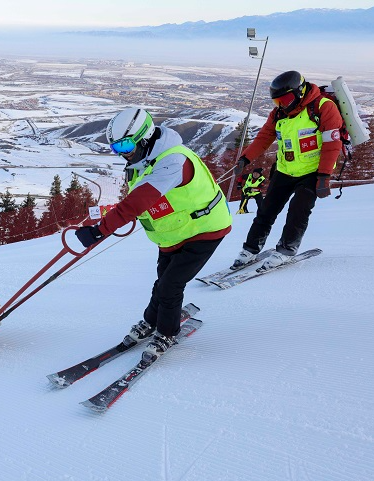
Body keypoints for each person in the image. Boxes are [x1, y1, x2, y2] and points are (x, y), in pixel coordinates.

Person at [73, 108, 232, 359]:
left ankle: (167, 332)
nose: (122, 153)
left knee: (171, 285)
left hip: (205, 228)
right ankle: (151, 321)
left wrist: (100, 230)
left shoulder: (173, 161)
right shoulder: (141, 160)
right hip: (174, 233)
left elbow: (138, 201)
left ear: (144, 137)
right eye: (115, 148)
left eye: (125, 145)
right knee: (162, 281)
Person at [229, 70, 342, 270]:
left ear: (299, 92)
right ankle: (250, 249)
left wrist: (324, 176)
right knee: (266, 210)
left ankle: (286, 250)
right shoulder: (279, 113)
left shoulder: (323, 107)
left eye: (285, 100)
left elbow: (332, 145)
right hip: (284, 170)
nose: (281, 105)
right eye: (277, 101)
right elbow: (264, 137)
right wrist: (245, 159)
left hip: (312, 172)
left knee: (298, 212)